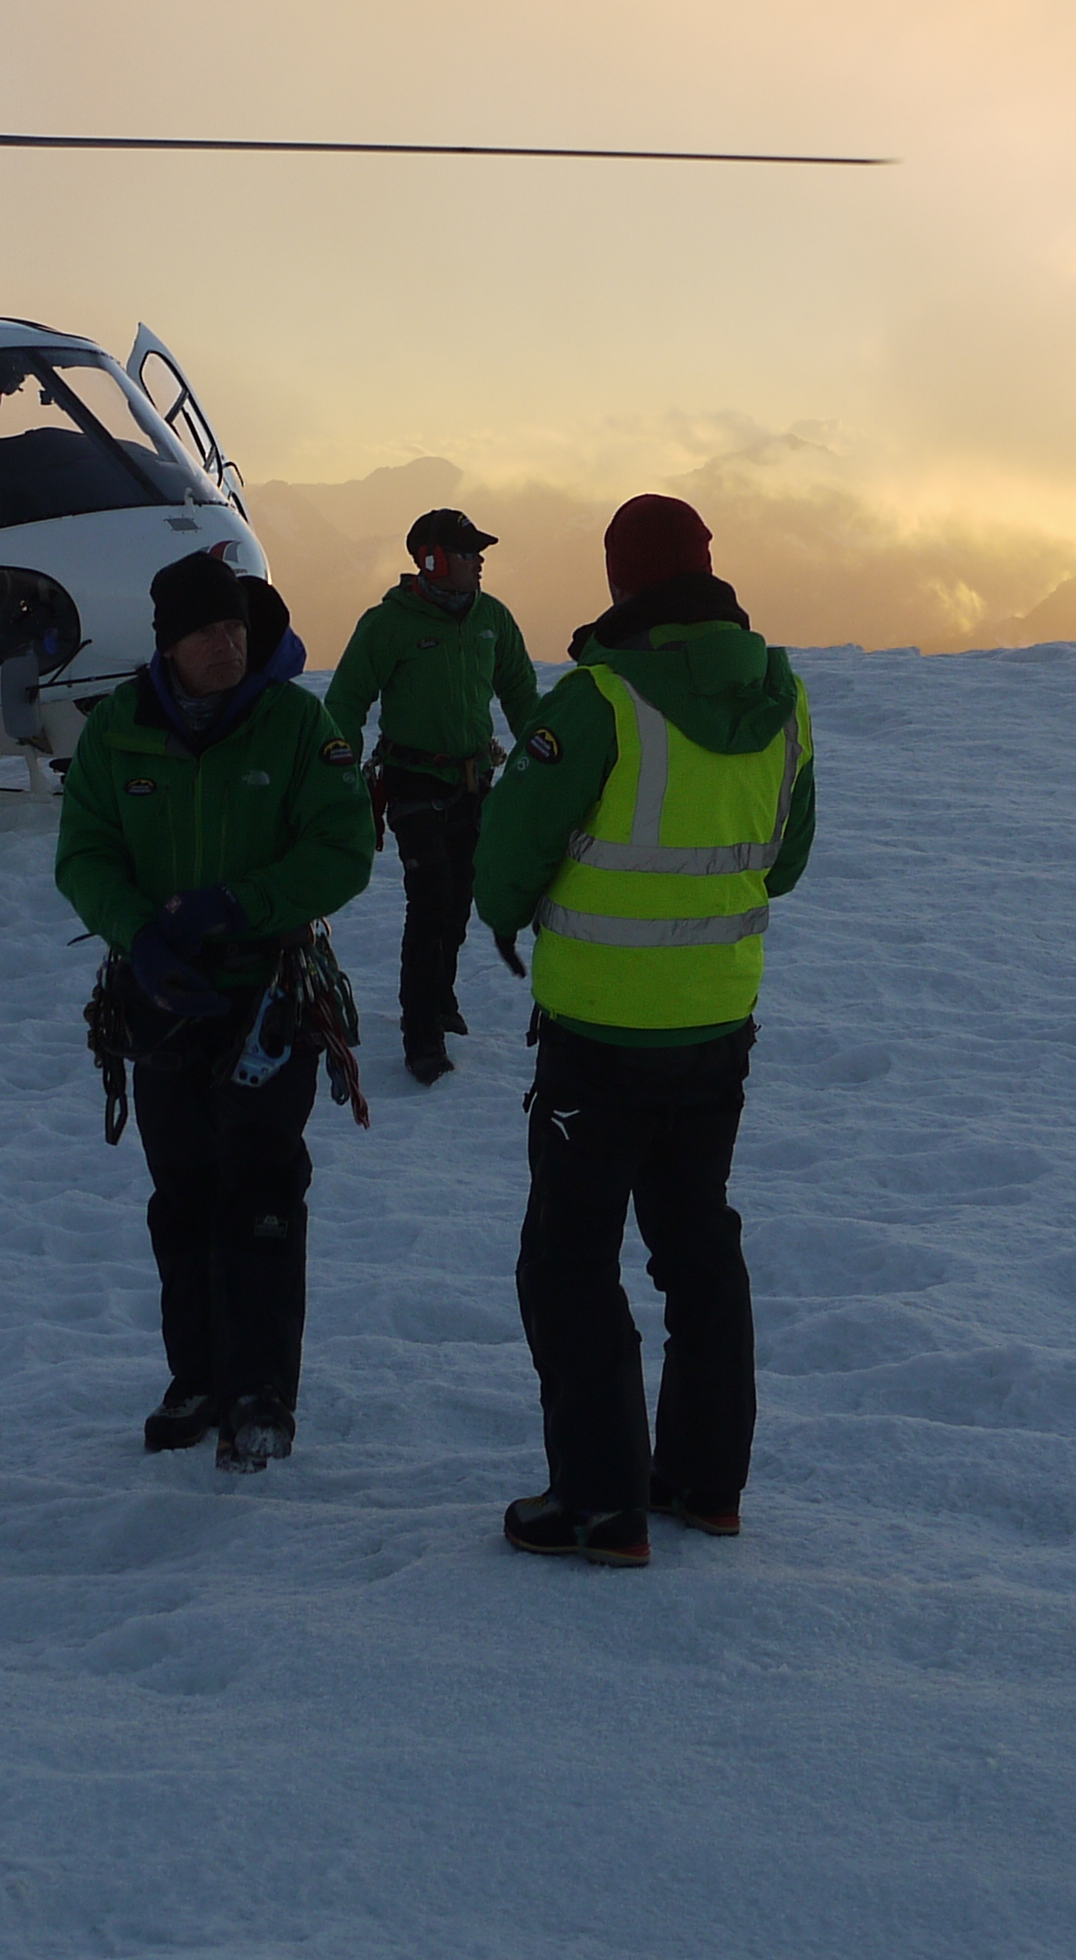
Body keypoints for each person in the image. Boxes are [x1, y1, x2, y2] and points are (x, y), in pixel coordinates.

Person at [473, 494, 815, 1565]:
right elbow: (786, 860)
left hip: (597, 1037)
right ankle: (707, 1485)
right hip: (717, 1025)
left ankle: (601, 1502)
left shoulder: (596, 701)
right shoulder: (783, 696)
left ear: (621, 581)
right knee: (696, 1244)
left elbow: (510, 847)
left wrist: (502, 918)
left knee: (569, 1262)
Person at [55, 554, 373, 1472]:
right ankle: (195, 1377)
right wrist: (138, 938)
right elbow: (85, 853)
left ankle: (263, 1390)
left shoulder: (296, 725)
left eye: (237, 627)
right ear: (169, 643)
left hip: (270, 994)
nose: (230, 643)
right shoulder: (118, 733)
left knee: (265, 1187)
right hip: (160, 1000)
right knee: (183, 1194)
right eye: (209, 631)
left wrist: (242, 905)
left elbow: (344, 847)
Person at [322, 506, 542, 1086]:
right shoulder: (388, 624)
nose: (479, 561)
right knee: (430, 903)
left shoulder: (492, 618)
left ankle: (441, 1000)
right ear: (433, 560)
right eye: (468, 553)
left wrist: (545, 757)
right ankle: (422, 1038)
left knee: (460, 899)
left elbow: (520, 691)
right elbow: (345, 701)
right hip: (413, 783)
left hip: (474, 784)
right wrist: (342, 774)